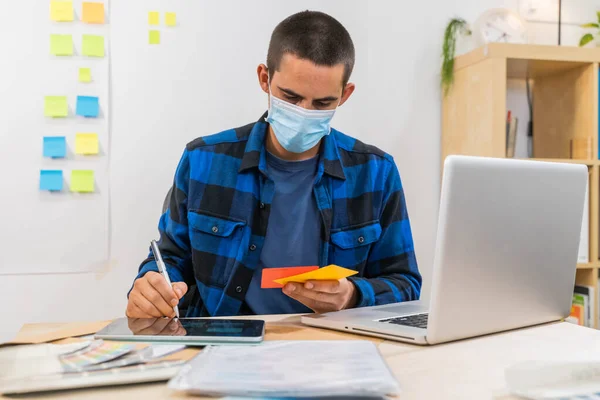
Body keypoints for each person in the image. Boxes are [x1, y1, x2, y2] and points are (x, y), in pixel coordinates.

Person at [126, 10, 422, 318]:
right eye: (290, 97)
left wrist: (352, 295)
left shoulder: (375, 173)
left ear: (344, 95)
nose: (304, 113)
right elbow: (170, 258)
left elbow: (405, 282)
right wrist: (152, 286)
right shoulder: (204, 161)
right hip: (227, 344)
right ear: (265, 78)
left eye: (322, 103)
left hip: (332, 350)